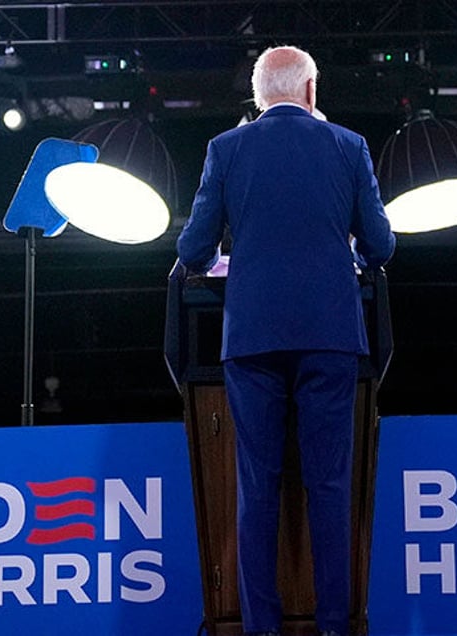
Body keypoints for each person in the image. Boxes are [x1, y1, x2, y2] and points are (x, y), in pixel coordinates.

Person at [176, 45, 395, 636]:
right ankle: (333, 625)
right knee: (329, 485)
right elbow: (381, 244)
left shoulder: (226, 149)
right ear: (311, 91)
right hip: (329, 334)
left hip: (251, 336)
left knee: (257, 485)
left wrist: (231, 253)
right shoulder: (349, 146)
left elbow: (193, 249)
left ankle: (261, 629)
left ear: (258, 95)